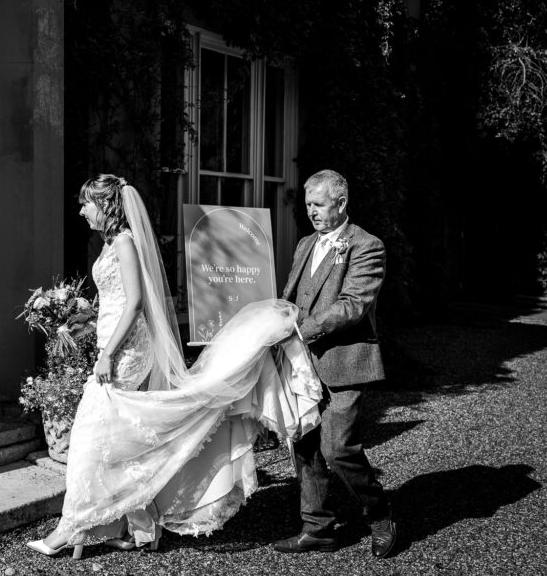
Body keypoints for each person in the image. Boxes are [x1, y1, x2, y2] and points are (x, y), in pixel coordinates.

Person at [26, 174, 322, 559]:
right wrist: (86, 320)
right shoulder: (111, 244)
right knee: (116, 440)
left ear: (106, 206)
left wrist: (106, 354)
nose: (81, 210)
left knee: (89, 437)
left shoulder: (125, 243)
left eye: (87, 203)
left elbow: (134, 304)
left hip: (126, 353)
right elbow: (117, 300)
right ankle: (142, 528)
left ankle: (70, 529)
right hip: (117, 345)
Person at [272, 169, 398, 558]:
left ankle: (380, 512)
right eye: (308, 204)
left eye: (318, 204)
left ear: (341, 204)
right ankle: (317, 528)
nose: (310, 211)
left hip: (345, 362)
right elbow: (293, 295)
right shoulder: (306, 243)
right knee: (305, 445)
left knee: (337, 448)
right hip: (300, 363)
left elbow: (353, 305)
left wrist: (301, 331)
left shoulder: (367, 245)